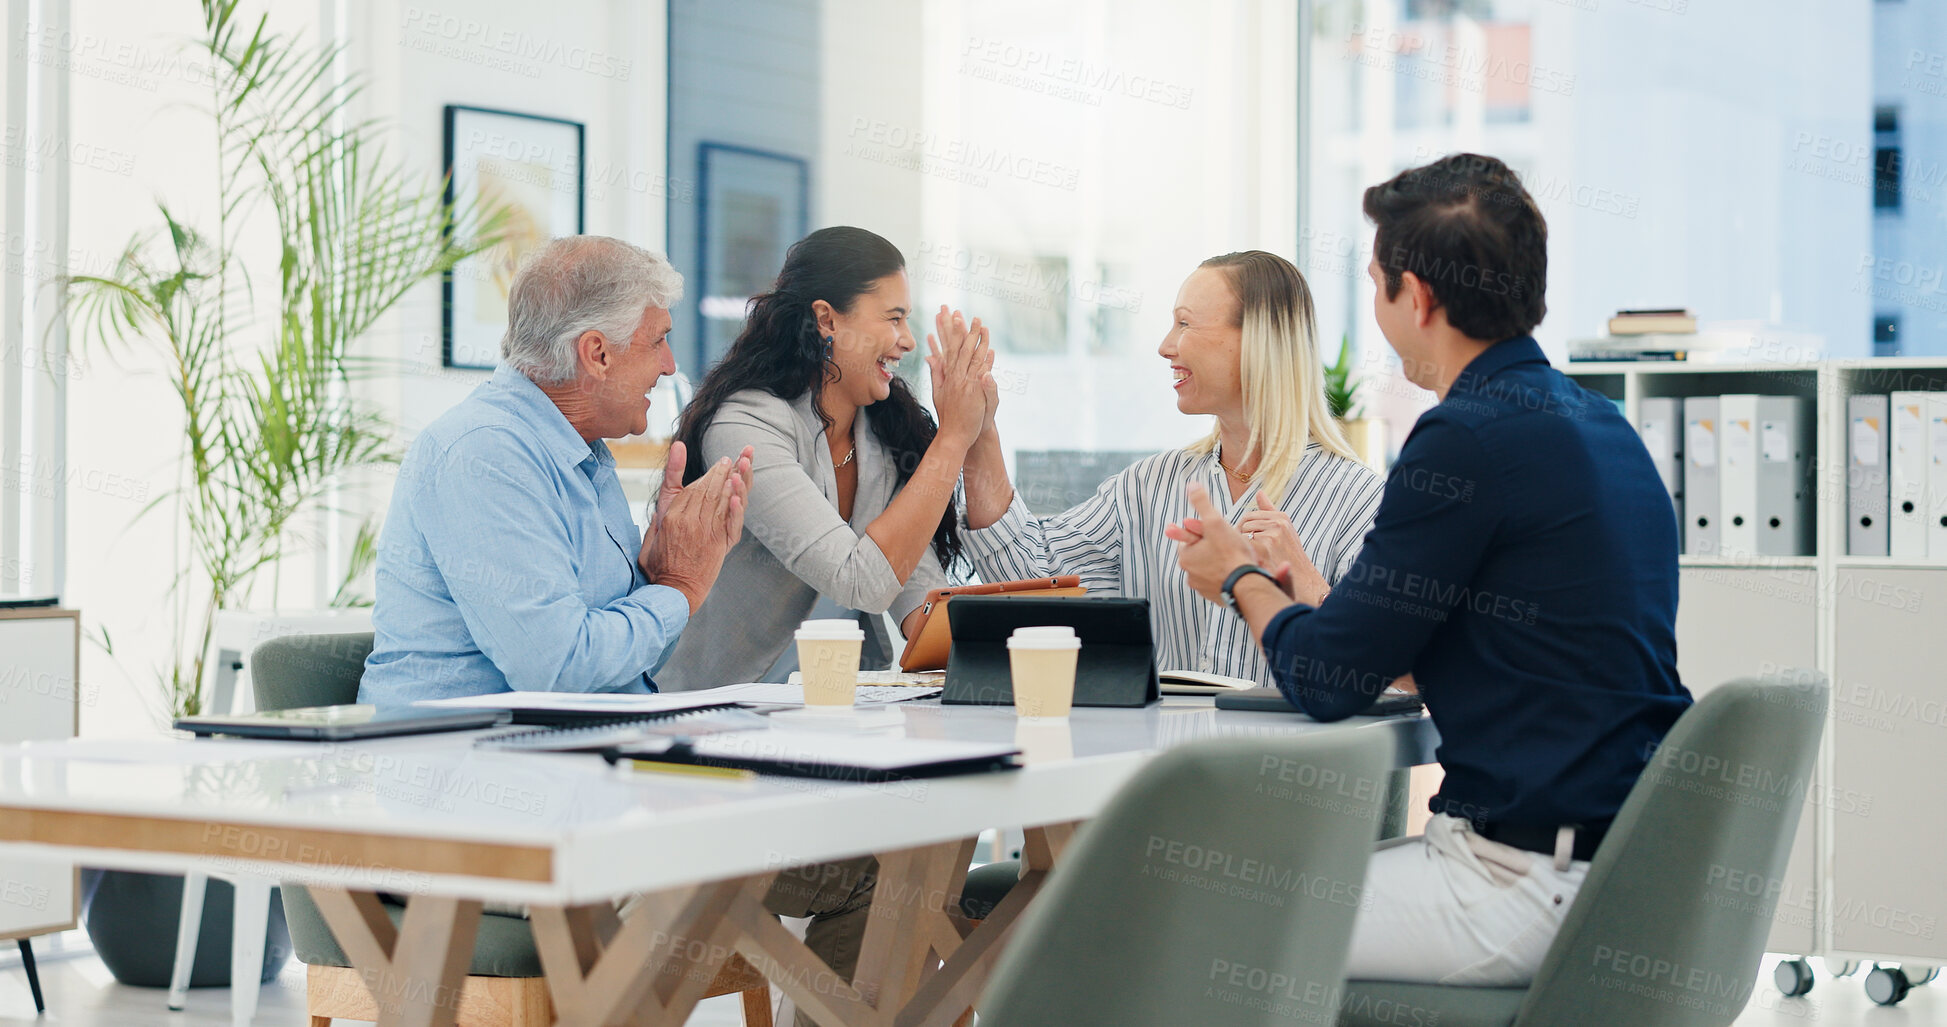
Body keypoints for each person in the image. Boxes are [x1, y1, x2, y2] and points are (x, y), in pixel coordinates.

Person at [1171, 154, 1694, 986]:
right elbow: (1482, 646)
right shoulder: (1599, 423)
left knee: (1180, 916)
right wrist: (1310, 593)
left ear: (1414, 295)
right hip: (1622, 870)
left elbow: (1329, 681)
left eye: (1376, 281)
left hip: (1513, 883)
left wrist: (1239, 577)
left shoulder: (1465, 436)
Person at [958, 250, 1384, 685]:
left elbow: (1395, 671)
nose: (1166, 346)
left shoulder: (1361, 501)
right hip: (1173, 754)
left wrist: (1311, 589)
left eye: (1185, 323)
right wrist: (979, 434)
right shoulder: (1147, 488)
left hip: (1298, 755)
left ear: (1257, 339)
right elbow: (1029, 580)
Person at [361, 235, 750, 703]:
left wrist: (655, 574)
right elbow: (558, 669)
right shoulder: (485, 454)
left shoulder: (582, 451)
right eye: (659, 340)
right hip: (459, 759)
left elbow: (622, 669)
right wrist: (678, 587)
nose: (669, 366)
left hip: (560, 749)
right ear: (597, 354)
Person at [656, 225, 994, 690]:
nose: (908, 340)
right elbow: (860, 580)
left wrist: (1010, 635)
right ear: (827, 320)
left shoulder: (883, 435)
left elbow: (918, 600)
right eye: (894, 318)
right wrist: (953, 437)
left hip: (826, 708)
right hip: (713, 712)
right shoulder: (745, 427)